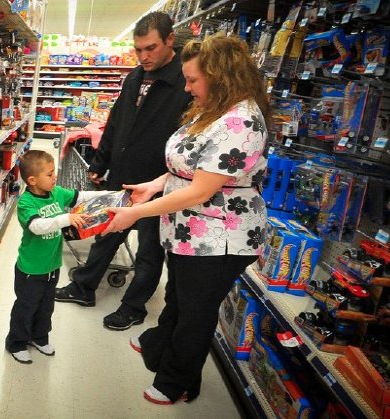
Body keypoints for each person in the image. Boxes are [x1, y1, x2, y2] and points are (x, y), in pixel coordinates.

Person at [102, 34, 270, 404]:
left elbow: (199, 190)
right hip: (190, 231)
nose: (187, 87)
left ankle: (177, 380)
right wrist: (153, 185)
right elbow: (190, 165)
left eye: (193, 80)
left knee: (197, 310)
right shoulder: (213, 110)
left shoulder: (241, 123)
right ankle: (160, 344)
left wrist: (135, 213)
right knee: (178, 295)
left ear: (222, 78)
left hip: (220, 236)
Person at [54, 12, 191, 331]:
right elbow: (115, 123)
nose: (144, 56)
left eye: (151, 48)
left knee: (149, 250)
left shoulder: (185, 82)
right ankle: (84, 287)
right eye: (138, 49)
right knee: (106, 233)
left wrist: (168, 180)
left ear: (170, 40)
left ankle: (133, 307)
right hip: (122, 174)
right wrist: (100, 163)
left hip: (157, 181)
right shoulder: (134, 78)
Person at [6, 150, 109, 363]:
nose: (55, 177)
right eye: (50, 174)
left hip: (52, 266)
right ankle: (16, 342)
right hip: (31, 269)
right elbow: (37, 226)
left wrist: (110, 194)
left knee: (46, 307)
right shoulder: (26, 202)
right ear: (32, 180)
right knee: (26, 307)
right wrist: (66, 218)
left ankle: (39, 337)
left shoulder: (57, 193)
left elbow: (81, 196)